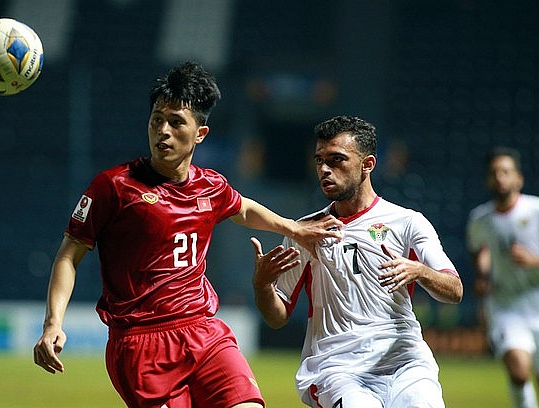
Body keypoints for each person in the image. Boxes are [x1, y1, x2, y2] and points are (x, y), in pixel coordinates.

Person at [32, 61, 342, 408]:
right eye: (156, 120)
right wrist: (52, 323)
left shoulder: (210, 185)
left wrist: (293, 228)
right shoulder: (113, 187)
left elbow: (242, 209)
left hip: (204, 331)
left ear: (200, 134)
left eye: (176, 122)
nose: (163, 130)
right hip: (141, 345)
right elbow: (68, 254)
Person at [250, 115, 463, 408]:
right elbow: (277, 316)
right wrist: (262, 286)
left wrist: (420, 271)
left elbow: (455, 290)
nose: (324, 169)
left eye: (336, 160)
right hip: (337, 367)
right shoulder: (304, 232)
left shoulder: (408, 222)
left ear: (368, 164)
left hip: (405, 361)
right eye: (319, 160)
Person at [466, 147, 539, 408]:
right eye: (494, 173)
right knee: (518, 370)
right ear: (488, 180)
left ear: (518, 179)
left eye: (506, 172)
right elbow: (479, 250)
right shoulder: (480, 219)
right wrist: (483, 276)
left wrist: (537, 260)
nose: (500, 177)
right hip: (505, 305)